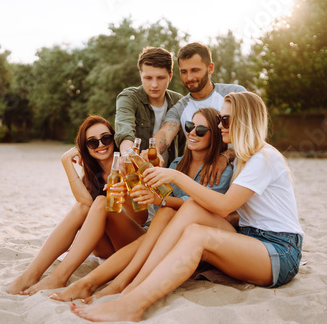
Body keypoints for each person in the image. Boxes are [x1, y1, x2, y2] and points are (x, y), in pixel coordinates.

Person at [71, 92, 304, 322]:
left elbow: (224, 206)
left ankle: (133, 303)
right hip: (250, 239)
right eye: (220, 119)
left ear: (244, 121)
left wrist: (176, 177)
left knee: (197, 234)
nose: (221, 124)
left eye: (225, 120)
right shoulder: (244, 156)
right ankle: (130, 286)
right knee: (191, 210)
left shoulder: (263, 157)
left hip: (279, 250)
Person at [48, 108, 234, 303]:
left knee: (162, 216)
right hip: (157, 231)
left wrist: (158, 199)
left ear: (215, 134)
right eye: (190, 126)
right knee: (122, 210)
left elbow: (204, 207)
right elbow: (158, 196)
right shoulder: (177, 164)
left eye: (202, 129)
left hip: (185, 242)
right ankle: (85, 282)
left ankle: (100, 284)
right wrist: (145, 183)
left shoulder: (219, 170)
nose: (193, 132)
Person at [6, 115, 147, 295]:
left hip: (133, 241)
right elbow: (86, 205)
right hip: (105, 250)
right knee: (84, 207)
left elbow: (141, 217)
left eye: (106, 138)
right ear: (85, 148)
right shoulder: (91, 176)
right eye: (92, 142)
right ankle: (30, 275)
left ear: (114, 139)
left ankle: (59, 277)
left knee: (102, 201)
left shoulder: (130, 165)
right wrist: (66, 162)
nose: (101, 145)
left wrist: (125, 187)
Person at [154, 42, 246, 186]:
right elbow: (166, 132)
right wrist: (153, 151)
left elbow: (253, 135)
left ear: (210, 68)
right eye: (184, 72)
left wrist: (225, 156)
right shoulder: (180, 107)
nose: (189, 77)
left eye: (195, 70)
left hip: (242, 177)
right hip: (209, 182)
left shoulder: (235, 94)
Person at [114, 46, 185, 165]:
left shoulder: (179, 101)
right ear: (140, 75)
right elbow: (124, 129)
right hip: (136, 171)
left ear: (170, 76)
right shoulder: (129, 97)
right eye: (148, 78)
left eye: (160, 78)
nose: (154, 84)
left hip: (170, 174)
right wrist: (129, 156)